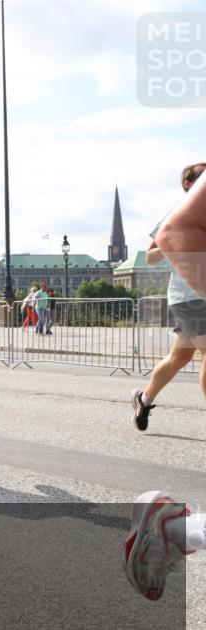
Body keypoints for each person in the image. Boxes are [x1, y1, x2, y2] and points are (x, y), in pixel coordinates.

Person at [131, 163, 206, 430]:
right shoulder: (177, 212)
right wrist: (171, 243)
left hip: (199, 294)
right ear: (188, 183)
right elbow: (151, 256)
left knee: (180, 357)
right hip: (189, 295)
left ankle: (144, 398)